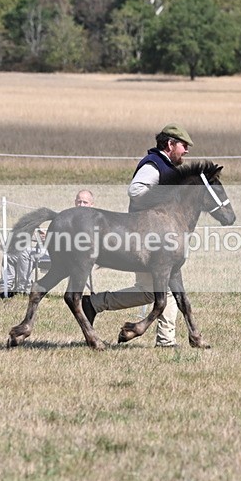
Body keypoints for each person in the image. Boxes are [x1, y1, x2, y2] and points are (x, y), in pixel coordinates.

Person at [82, 123, 191, 347]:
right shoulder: (154, 165)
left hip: (158, 240)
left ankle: (165, 340)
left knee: (158, 291)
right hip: (144, 239)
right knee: (153, 293)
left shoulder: (168, 166)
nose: (187, 150)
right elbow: (136, 191)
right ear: (170, 144)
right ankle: (95, 303)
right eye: (183, 145)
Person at [0, 189, 95, 298]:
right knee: (12, 253)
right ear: (75, 202)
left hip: (69, 259)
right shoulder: (68, 218)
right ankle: (4, 290)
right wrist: (40, 237)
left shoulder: (93, 222)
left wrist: (52, 240)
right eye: (79, 201)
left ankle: (23, 290)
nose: (81, 204)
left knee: (25, 253)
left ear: (91, 204)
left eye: (85, 202)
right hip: (51, 252)